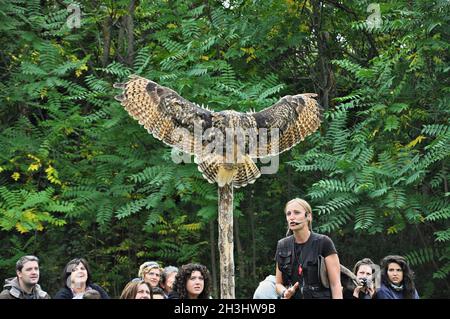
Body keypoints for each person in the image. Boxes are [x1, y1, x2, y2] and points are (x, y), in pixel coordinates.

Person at [275, 198, 343, 299]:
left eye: (297, 213)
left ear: (309, 216)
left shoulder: (324, 242)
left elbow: (336, 284)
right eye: (288, 214)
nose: (292, 217)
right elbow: (278, 283)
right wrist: (285, 292)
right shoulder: (282, 245)